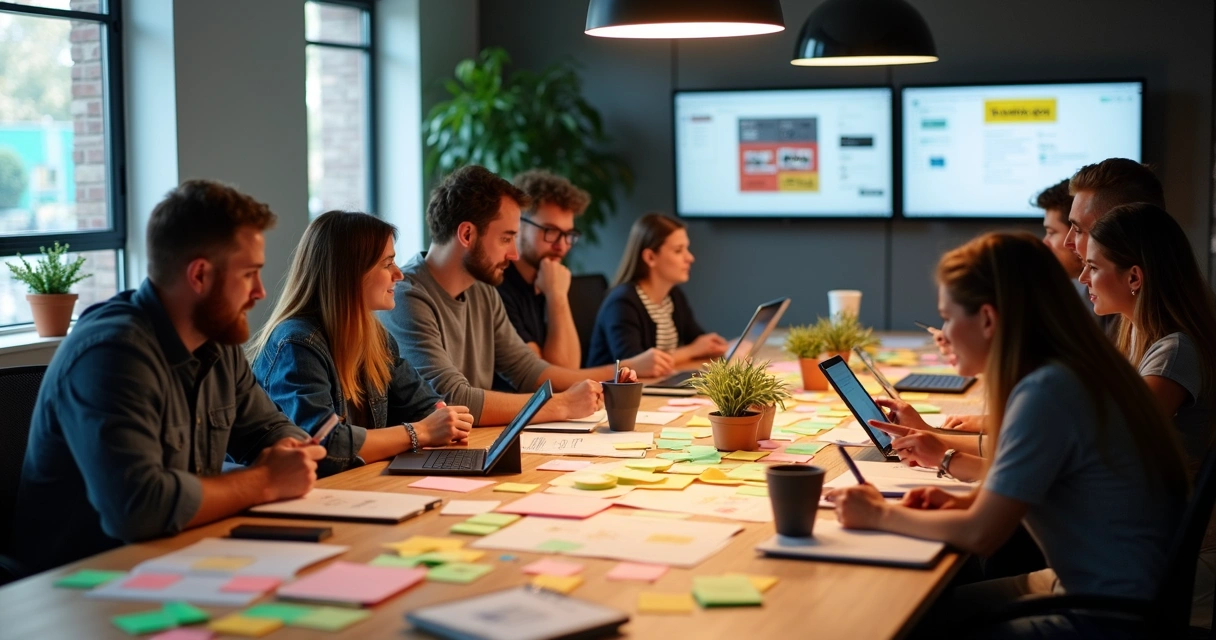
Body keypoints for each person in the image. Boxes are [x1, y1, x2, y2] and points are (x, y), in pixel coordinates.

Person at [830, 232, 1188, 638]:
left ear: (987, 319)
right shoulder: (1074, 369)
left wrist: (878, 513)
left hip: (1101, 618)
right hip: (1114, 595)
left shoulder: (1046, 391)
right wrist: (961, 501)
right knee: (918, 608)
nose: (944, 331)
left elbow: (983, 534)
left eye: (948, 316)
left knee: (901, 620)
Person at [11, 180, 326, 576]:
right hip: (81, 584)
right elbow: (138, 510)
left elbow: (269, 429)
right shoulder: (112, 354)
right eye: (249, 274)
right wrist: (265, 480)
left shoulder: (218, 340)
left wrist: (291, 453)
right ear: (199, 276)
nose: (261, 292)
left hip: (182, 560)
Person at [380, 165, 656, 427]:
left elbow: (532, 372)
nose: (513, 253)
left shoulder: (483, 292)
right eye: (506, 238)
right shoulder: (406, 296)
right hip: (416, 465)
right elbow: (451, 398)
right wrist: (560, 405)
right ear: (467, 234)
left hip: (471, 445)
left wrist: (610, 380)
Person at [249, 211, 474, 475]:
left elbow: (424, 403)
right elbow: (326, 446)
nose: (399, 274)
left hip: (353, 487)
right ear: (350, 273)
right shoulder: (297, 344)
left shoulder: (375, 338)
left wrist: (442, 416)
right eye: (387, 263)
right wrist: (420, 432)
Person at [1083, 202, 1216, 627]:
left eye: (1092, 266)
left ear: (1135, 277)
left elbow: (1101, 450)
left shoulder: (1175, 352)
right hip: (1147, 550)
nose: (1083, 278)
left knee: (956, 606)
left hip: (1170, 568)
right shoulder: (1143, 336)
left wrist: (962, 461)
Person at [498, 170, 628, 370]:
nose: (562, 246)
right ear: (518, 226)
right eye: (550, 231)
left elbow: (568, 370)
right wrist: (557, 296)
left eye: (568, 234)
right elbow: (552, 378)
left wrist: (554, 293)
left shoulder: (550, 280)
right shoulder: (498, 287)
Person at [587, 213, 729, 367]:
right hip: (611, 390)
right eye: (678, 250)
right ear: (650, 258)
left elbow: (697, 341)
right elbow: (634, 363)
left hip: (656, 385)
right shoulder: (622, 303)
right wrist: (691, 351)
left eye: (686, 249)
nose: (690, 258)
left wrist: (714, 347)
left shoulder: (673, 296)